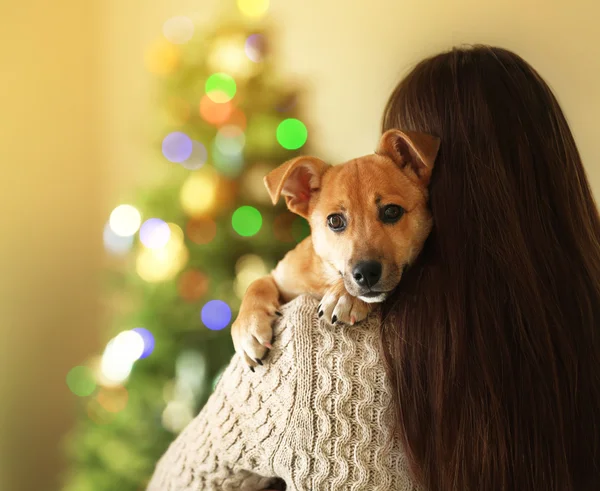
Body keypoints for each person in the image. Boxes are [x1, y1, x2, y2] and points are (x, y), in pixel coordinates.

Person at [147, 45, 600, 491]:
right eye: (339, 223)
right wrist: (257, 299)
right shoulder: (580, 310)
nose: (364, 254)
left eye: (390, 213)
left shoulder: (309, 353)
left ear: (423, 173)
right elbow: (277, 280)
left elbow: (181, 480)